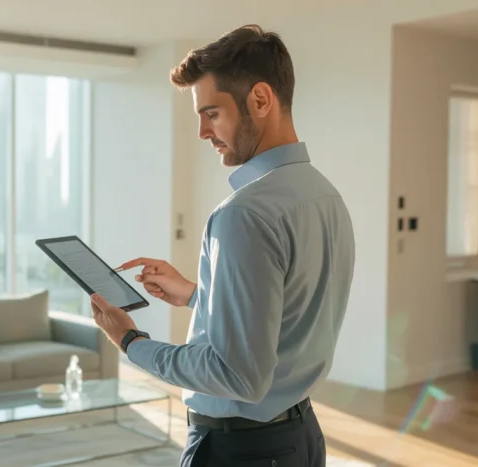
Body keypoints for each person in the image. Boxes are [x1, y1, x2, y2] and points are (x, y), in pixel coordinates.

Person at [89, 24, 355, 467]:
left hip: (242, 451)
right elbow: (286, 315)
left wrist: (131, 340)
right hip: (300, 438)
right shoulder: (325, 195)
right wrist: (200, 296)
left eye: (211, 113)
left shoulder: (243, 214)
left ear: (261, 100)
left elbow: (238, 376)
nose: (201, 132)